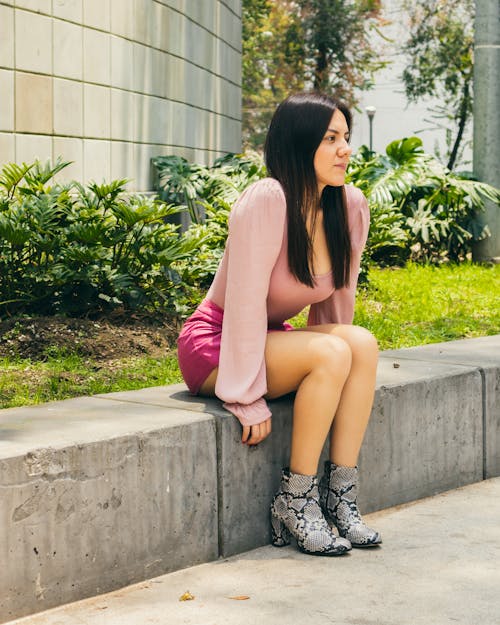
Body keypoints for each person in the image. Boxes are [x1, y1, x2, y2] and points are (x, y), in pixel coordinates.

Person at [177, 92, 381, 556]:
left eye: (346, 138)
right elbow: (246, 301)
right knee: (331, 352)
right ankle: (295, 500)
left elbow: (336, 308)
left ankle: (339, 493)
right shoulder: (269, 199)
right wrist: (245, 396)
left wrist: (335, 369)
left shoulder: (346, 206)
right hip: (217, 341)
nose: (345, 149)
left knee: (360, 344)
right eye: (331, 139)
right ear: (297, 143)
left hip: (270, 338)